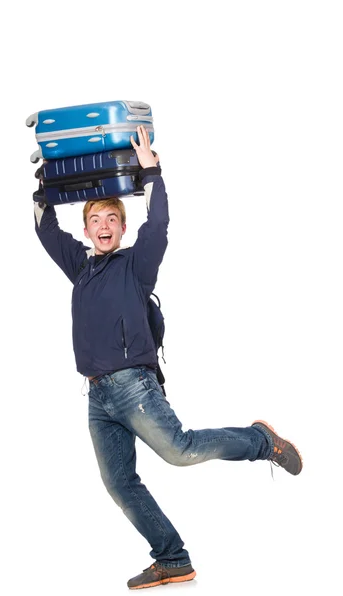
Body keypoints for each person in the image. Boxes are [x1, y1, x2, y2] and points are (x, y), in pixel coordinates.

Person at [34, 125, 303, 590]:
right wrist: (45, 185)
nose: (103, 227)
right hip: (98, 397)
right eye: (95, 219)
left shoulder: (136, 266)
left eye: (111, 220)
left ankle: (262, 443)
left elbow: (157, 224)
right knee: (120, 484)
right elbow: (43, 227)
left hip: (133, 388)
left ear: (121, 227)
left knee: (179, 450)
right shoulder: (80, 267)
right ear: (86, 228)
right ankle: (173, 559)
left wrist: (151, 171)